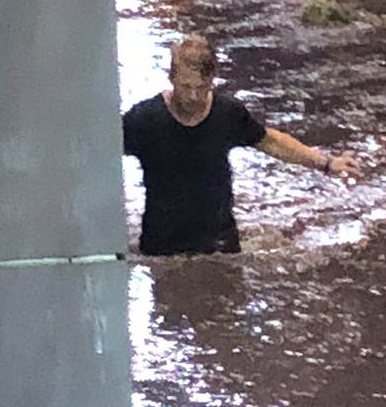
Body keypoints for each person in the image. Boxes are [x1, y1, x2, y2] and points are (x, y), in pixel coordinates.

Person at [122, 35, 361, 255]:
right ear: (171, 78)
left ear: (212, 80)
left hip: (221, 244)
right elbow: (104, 155)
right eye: (186, 87)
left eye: (201, 87)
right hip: (162, 247)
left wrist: (326, 163)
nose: (193, 96)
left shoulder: (227, 113)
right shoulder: (145, 119)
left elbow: (270, 141)